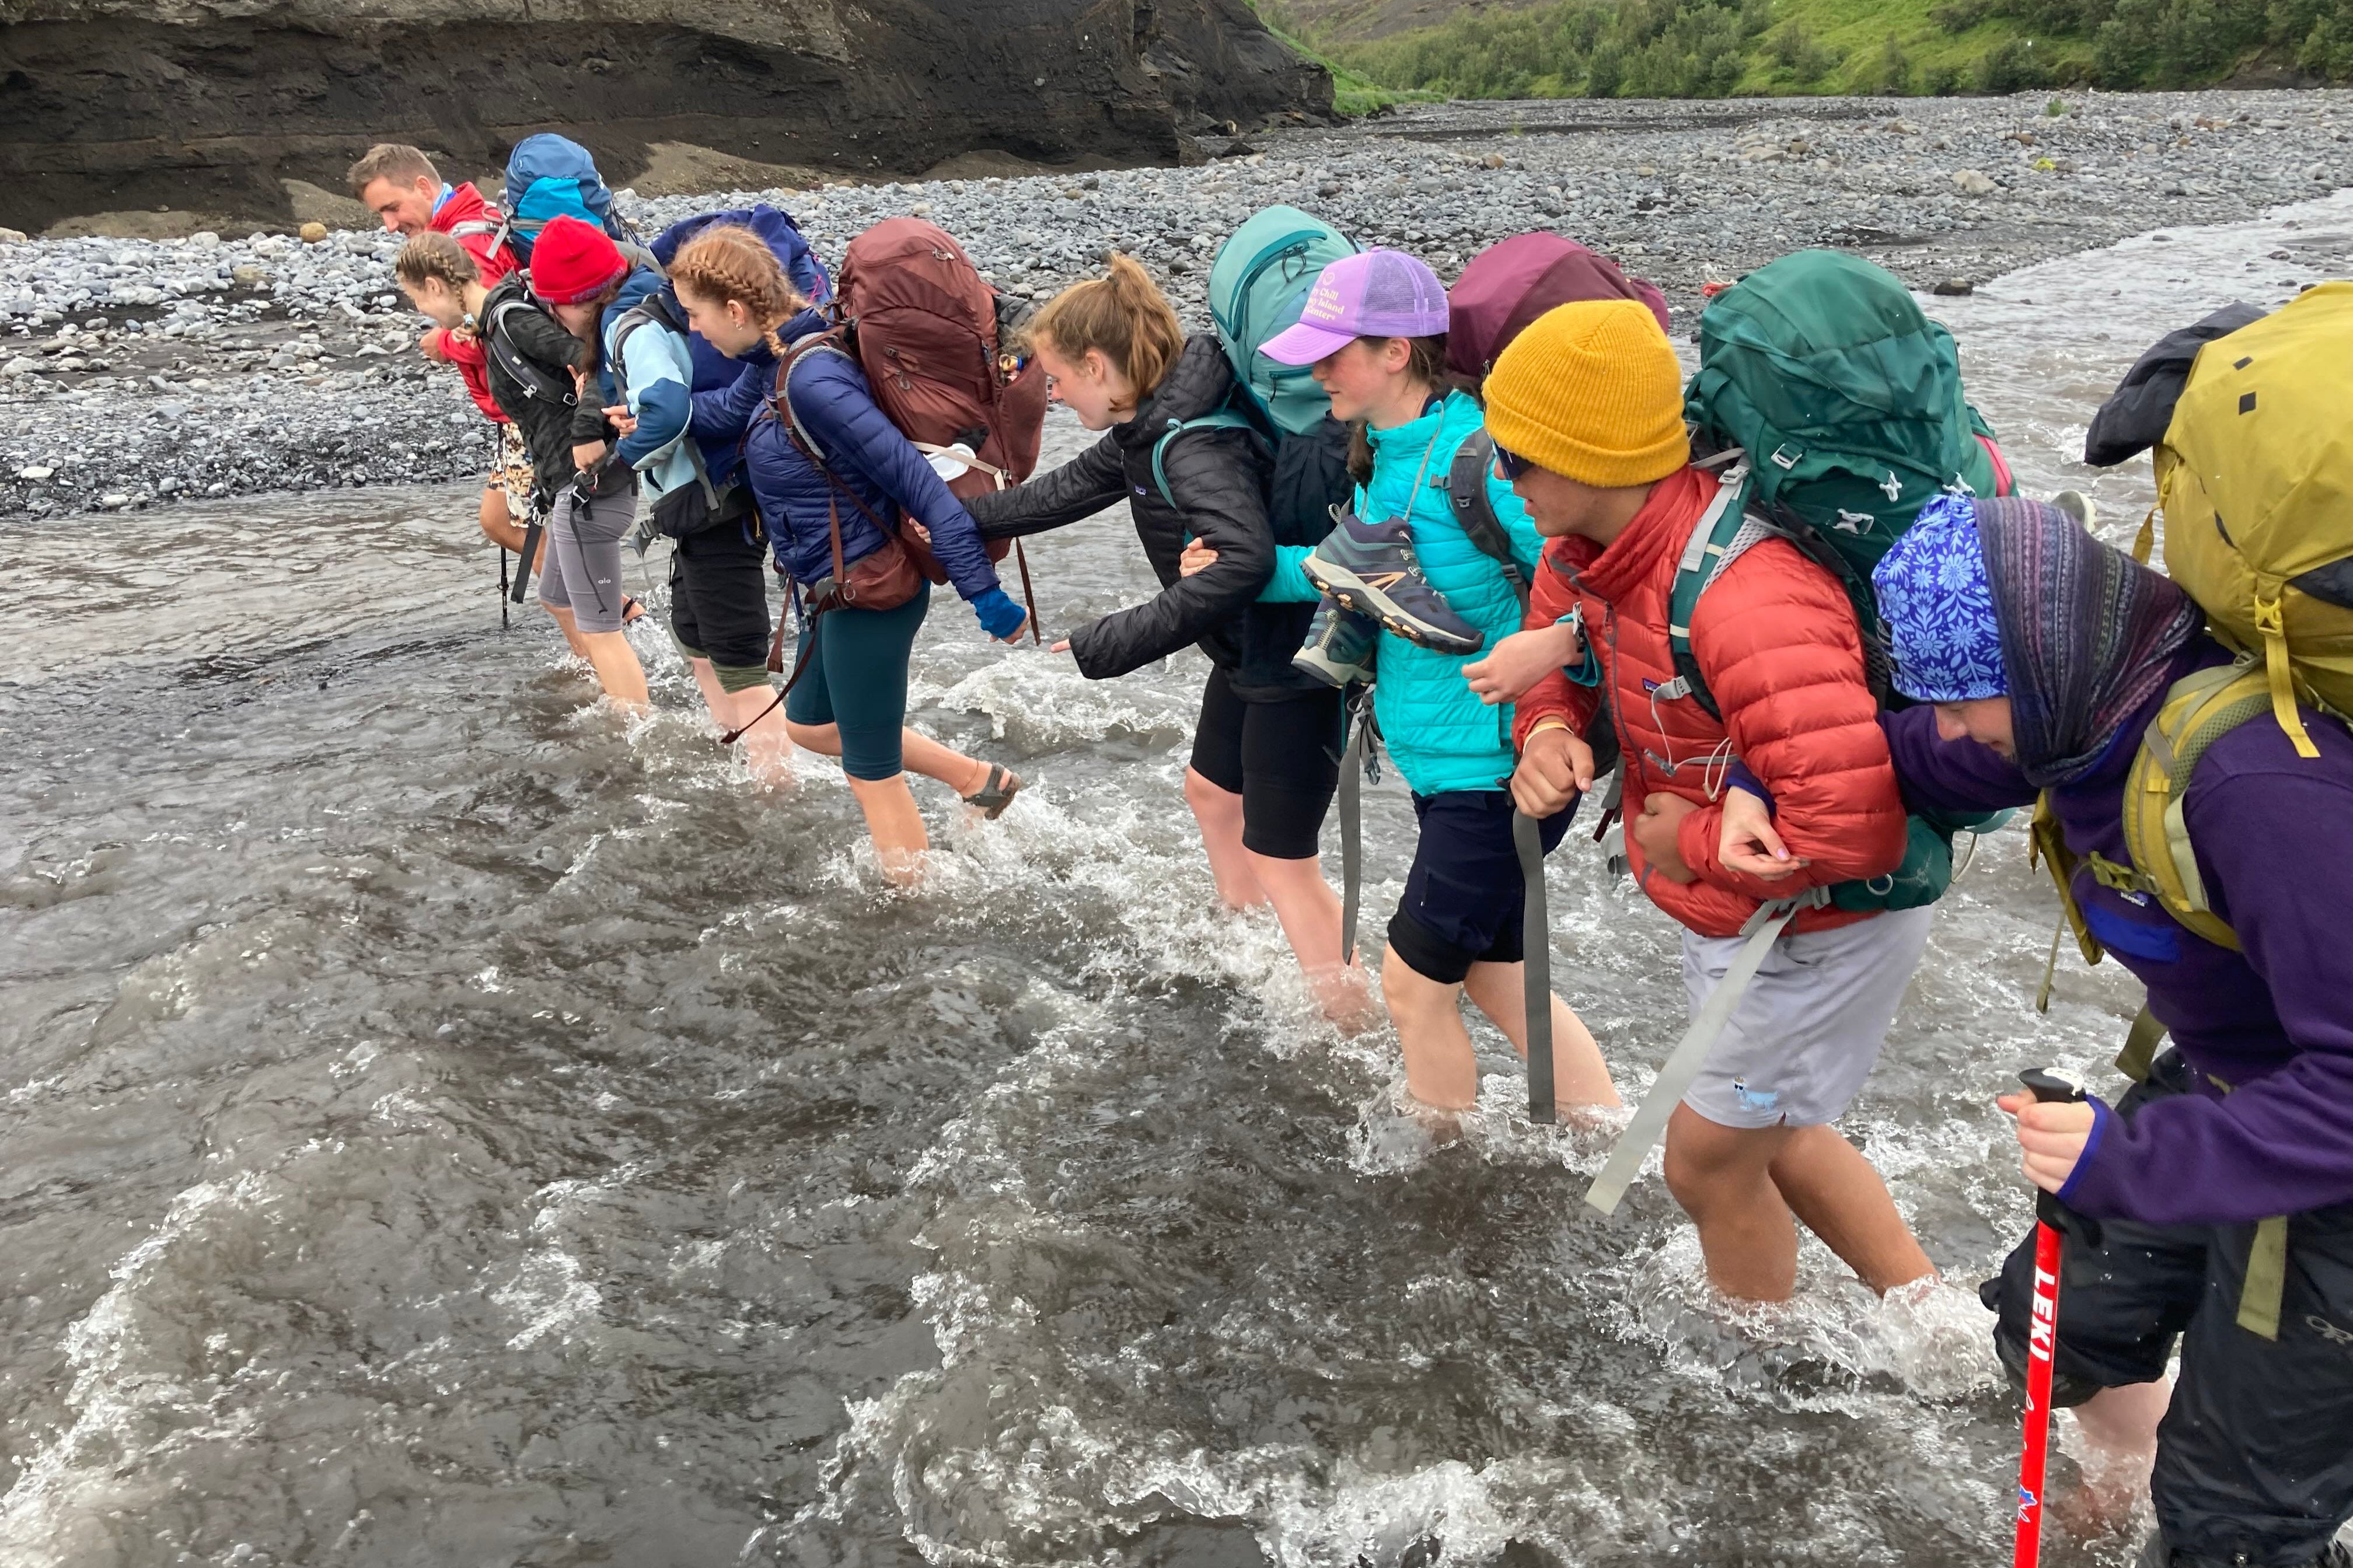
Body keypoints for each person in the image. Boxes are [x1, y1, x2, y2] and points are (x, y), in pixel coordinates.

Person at [1719, 496, 2353, 1568]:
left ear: (2040, 657)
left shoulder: (2257, 790)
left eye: (1967, 700)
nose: (1955, 730)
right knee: (2055, 1327)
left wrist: (2134, 1159)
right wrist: (1749, 784)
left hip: (2321, 1166)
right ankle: (2123, 1491)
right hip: (2229, 1083)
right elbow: (1900, 753)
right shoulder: (2078, 717)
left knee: (2238, 1523)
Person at [1486, 299, 1933, 1305]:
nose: (1499, 481)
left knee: (1701, 1159)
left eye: (1513, 460)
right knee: (1775, 1138)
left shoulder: (1747, 595)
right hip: (1740, 903)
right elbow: (1562, 646)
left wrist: (1682, 838)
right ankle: (1934, 1322)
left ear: (1588, 457)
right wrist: (1549, 733)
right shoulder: (1585, 550)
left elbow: (1852, 823)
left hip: (1824, 917)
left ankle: (1754, 1369)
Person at [1189, 248, 1618, 1114]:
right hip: (1443, 765)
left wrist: (1554, 644)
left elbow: (1607, 590)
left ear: (1397, 351)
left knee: (1413, 986)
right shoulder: (1379, 452)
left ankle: (1441, 1172)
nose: (1314, 370)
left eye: (1333, 352)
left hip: (1505, 772)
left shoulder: (1486, 462)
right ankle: (1605, 1139)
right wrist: (1240, 564)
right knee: (1498, 978)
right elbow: (1360, 566)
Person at [963, 256, 1370, 1028]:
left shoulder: (1189, 444)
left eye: (1056, 378)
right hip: (1248, 650)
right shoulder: (1150, 418)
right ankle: (1249, 949)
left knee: (1288, 858)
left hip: (1296, 663)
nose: (1050, 393)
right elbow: (1071, 487)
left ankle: (1354, 1031)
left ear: (1096, 365)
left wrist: (1107, 642)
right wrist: (961, 519)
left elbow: (1246, 561)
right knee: (1212, 793)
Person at [668, 223, 1030, 882]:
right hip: (826, 590)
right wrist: (651, 414)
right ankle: (979, 778)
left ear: (737, 311)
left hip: (872, 594)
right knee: (809, 725)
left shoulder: (815, 381)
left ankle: (914, 912)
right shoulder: (772, 362)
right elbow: (723, 413)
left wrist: (986, 595)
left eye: (695, 315)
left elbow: (922, 489)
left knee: (872, 774)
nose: (695, 331)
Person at [585, 238, 793, 784]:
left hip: (723, 514)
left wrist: (618, 460)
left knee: (743, 668)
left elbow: (682, 412)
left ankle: (776, 790)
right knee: (697, 640)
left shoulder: (645, 326)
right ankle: (741, 758)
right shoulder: (682, 323)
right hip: (702, 516)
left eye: (698, 315)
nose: (695, 327)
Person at [392, 231, 598, 659]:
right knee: (540, 573)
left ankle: (604, 650)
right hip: (548, 459)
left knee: (563, 587)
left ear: (434, 286)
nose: (421, 311)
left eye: (418, 300)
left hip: (566, 460)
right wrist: (469, 332)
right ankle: (597, 651)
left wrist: (588, 428)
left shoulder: (508, 318)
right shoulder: (491, 317)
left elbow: (581, 356)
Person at [348, 143, 538, 564]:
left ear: (422, 186)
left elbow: (502, 330)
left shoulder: (466, 245)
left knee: (541, 539)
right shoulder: (480, 218)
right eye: (382, 214)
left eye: (393, 208)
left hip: (526, 413)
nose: (389, 225)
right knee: (498, 521)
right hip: (518, 411)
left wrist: (445, 343)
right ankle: (608, 610)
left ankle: (607, 617)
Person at [523, 216, 658, 713]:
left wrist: (585, 433)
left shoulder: (618, 325)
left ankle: (635, 731)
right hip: (604, 490)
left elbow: (600, 373)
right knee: (557, 599)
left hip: (598, 493)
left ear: (577, 300)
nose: (558, 323)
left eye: (557, 310)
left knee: (602, 632)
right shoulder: (637, 298)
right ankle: (610, 689)